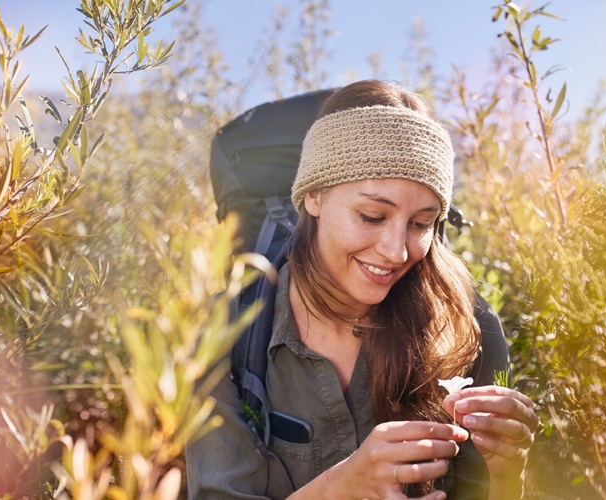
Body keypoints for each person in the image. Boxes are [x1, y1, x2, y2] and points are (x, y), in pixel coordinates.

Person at [186, 80, 539, 499]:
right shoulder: (223, 330)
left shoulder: (470, 326)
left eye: (421, 223)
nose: (395, 251)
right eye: (373, 215)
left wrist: (508, 471)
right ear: (313, 196)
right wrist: (342, 488)